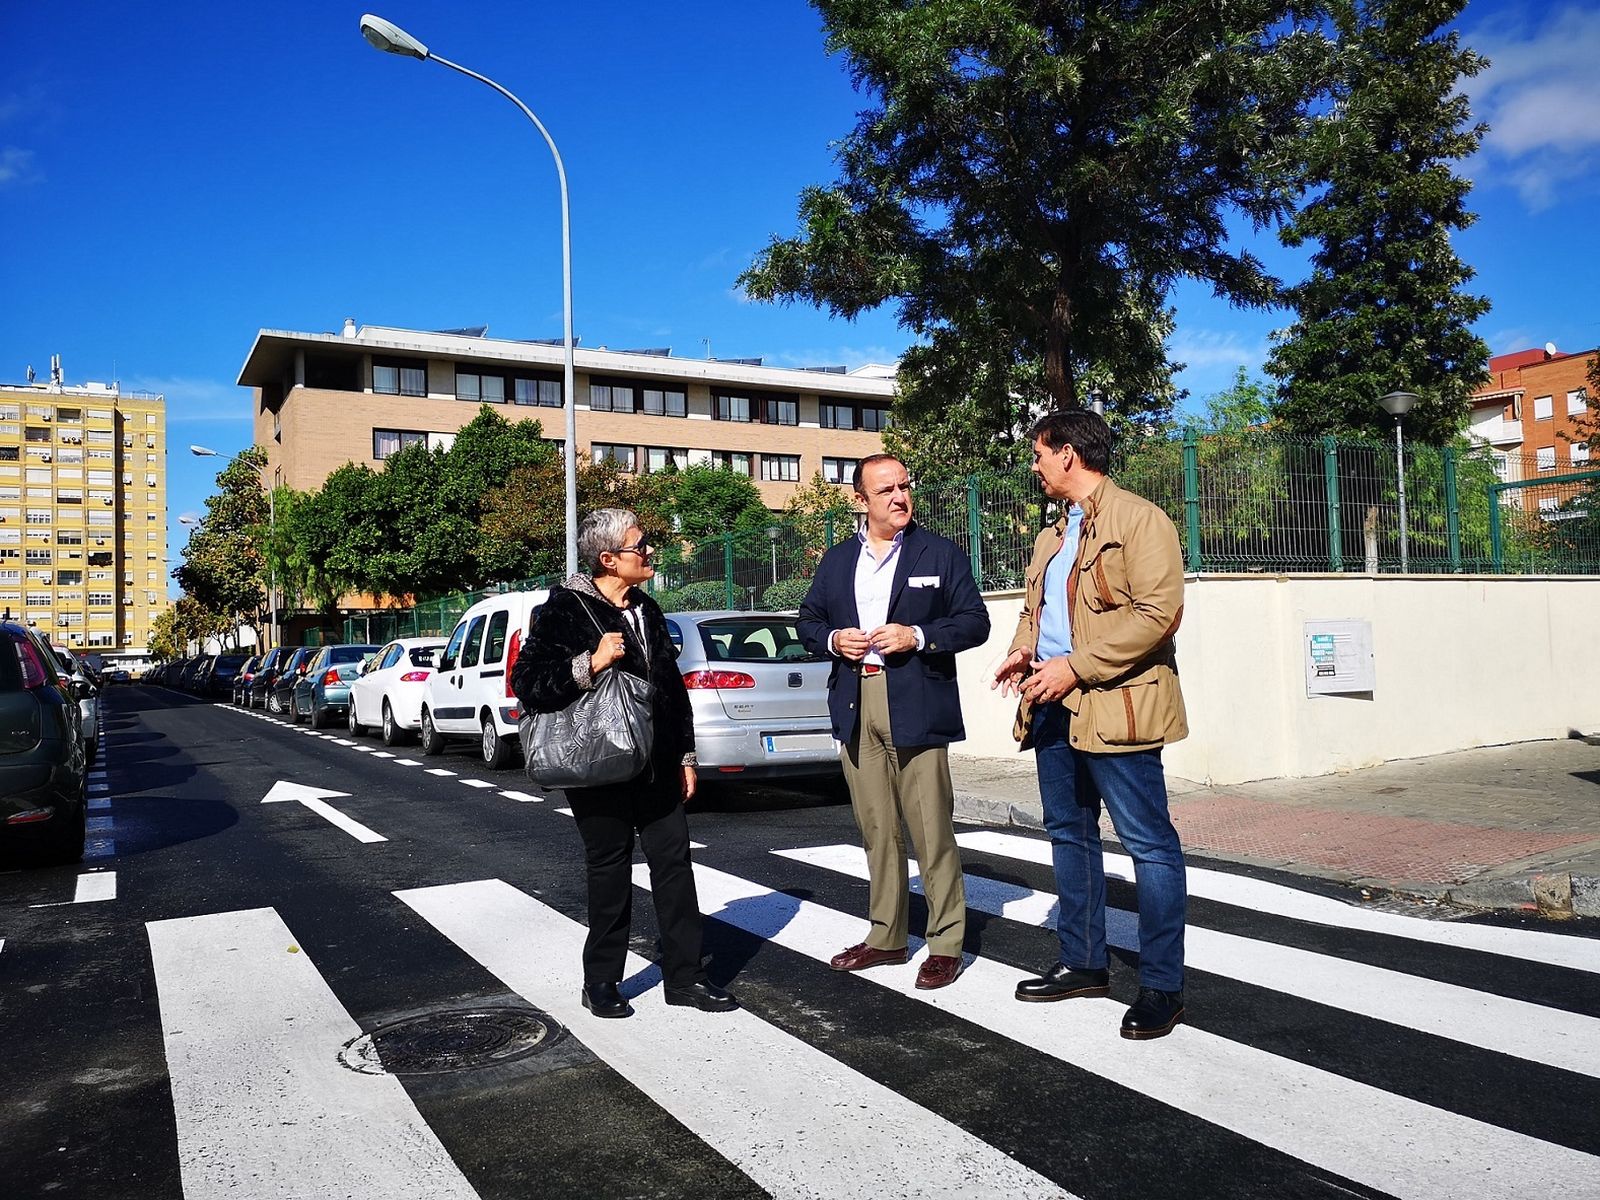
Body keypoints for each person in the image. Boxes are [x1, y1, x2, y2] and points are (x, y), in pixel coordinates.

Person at [993, 410, 1190, 1040]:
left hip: (1115, 705)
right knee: (1070, 837)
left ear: (1070, 454)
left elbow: (1159, 613)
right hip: (1051, 702)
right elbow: (1037, 609)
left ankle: (1162, 986)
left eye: (1040, 454)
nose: (1035, 465)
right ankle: (1083, 964)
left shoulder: (1142, 519)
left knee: (1149, 846)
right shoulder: (1051, 536)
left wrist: (1075, 668)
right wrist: (1023, 650)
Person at [512, 508, 736, 1019]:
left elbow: (672, 689)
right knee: (609, 870)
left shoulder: (648, 609)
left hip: (656, 763)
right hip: (598, 763)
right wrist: (590, 663)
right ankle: (602, 982)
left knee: (675, 866)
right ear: (608, 559)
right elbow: (528, 682)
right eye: (641, 546)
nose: (650, 551)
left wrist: (685, 755)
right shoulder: (563, 610)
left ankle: (685, 977)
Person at [797, 453, 991, 990]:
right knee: (877, 830)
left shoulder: (940, 553)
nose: (900, 497)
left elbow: (975, 621)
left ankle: (946, 941)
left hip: (918, 702)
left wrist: (919, 637)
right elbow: (808, 621)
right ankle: (886, 936)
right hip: (856, 701)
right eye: (886, 490)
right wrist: (836, 640)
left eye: (904, 486)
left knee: (932, 830)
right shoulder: (838, 561)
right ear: (861, 500)